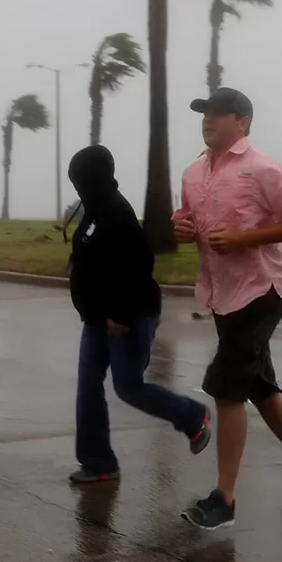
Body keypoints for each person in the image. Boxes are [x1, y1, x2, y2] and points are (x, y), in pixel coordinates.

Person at [172, 87, 282, 530]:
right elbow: (186, 217)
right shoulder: (192, 172)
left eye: (219, 114)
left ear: (242, 122)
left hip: (260, 291)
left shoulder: (262, 167)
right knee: (259, 386)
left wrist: (246, 238)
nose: (208, 120)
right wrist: (182, 227)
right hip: (220, 293)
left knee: (227, 389)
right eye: (204, 113)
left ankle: (223, 500)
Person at [66, 144, 211, 485]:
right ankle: (98, 462)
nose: (77, 187)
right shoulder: (93, 211)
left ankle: (192, 415)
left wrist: (118, 314)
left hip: (127, 316)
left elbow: (138, 267)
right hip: (97, 317)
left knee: (129, 387)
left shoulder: (117, 213)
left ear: (96, 178)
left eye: (81, 180)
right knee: (88, 387)